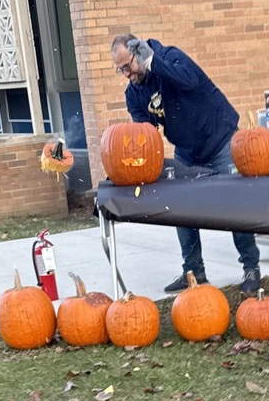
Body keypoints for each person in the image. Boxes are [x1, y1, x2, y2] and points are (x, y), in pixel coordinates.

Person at [110, 33, 261, 293]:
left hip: (220, 139)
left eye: (128, 65)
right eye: (120, 69)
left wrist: (153, 63)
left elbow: (189, 81)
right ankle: (194, 272)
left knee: (237, 205)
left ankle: (251, 267)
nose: (126, 73)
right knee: (180, 208)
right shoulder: (134, 93)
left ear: (139, 53)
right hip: (187, 151)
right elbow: (145, 134)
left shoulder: (170, 57)